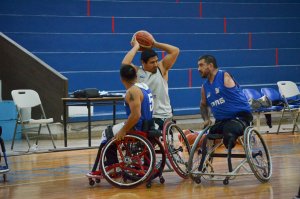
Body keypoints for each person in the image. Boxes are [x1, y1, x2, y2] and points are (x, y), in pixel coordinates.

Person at [87, 64, 154, 177]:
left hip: (138, 127)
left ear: (121, 78)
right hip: (148, 124)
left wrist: (123, 130)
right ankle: (111, 163)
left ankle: (111, 165)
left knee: (106, 133)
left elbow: (136, 115)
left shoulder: (132, 92)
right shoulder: (144, 86)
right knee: (114, 130)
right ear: (136, 76)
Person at [122, 34, 179, 130]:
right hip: (149, 117)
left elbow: (175, 51)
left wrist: (155, 44)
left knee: (165, 143)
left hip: (164, 115)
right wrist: (136, 47)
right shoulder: (137, 72)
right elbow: (125, 64)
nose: (156, 64)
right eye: (152, 62)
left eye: (156, 61)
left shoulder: (162, 68)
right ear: (143, 63)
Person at [198, 54, 253, 149]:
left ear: (210, 66)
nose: (198, 69)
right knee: (205, 137)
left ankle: (240, 140)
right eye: (198, 66)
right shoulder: (204, 87)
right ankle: (204, 162)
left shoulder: (224, 76)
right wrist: (206, 119)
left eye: (201, 65)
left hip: (239, 118)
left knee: (229, 135)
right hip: (221, 121)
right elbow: (203, 105)